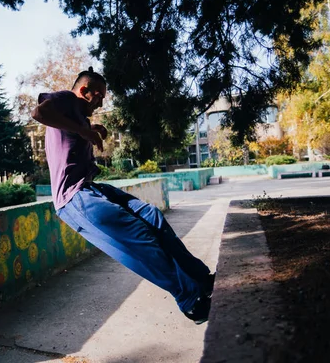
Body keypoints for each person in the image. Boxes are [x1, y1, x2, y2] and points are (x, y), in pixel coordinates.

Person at [31, 67, 215, 324]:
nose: (102, 102)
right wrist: (84, 131)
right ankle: (190, 300)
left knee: (151, 216)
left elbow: (71, 131)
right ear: (84, 91)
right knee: (139, 237)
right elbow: (39, 112)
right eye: (99, 96)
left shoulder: (78, 116)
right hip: (74, 198)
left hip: (91, 188)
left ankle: (202, 280)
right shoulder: (65, 98)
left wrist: (90, 127)